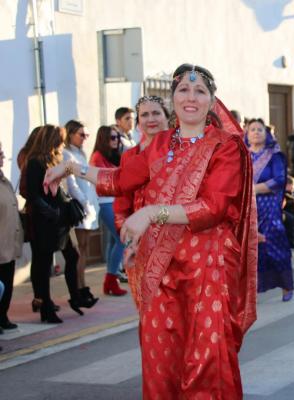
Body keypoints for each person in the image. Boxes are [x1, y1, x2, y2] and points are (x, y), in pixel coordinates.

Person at [43, 64, 257, 399]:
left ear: (212, 100)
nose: (191, 97)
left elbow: (215, 207)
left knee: (205, 358)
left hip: (208, 268)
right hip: (160, 267)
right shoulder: (158, 146)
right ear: (173, 99)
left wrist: (151, 213)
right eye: (183, 90)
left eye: (200, 91)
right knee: (160, 358)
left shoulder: (226, 147)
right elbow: (119, 180)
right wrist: (71, 167)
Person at [21, 125, 86, 322]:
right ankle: (45, 308)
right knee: (44, 263)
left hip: (61, 219)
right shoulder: (34, 162)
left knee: (72, 255)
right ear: (50, 139)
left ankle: (75, 297)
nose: (62, 142)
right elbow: (33, 194)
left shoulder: (55, 159)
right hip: (45, 221)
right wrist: (51, 212)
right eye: (60, 138)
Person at [113, 96, 170, 287]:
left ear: (167, 117)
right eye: (144, 115)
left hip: (177, 230)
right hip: (142, 236)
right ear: (138, 123)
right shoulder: (130, 156)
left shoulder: (182, 150)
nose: (150, 119)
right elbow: (122, 199)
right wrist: (129, 239)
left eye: (156, 113)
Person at [246, 118, 294, 302]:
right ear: (247, 134)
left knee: (275, 246)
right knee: (250, 251)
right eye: (252, 129)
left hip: (269, 209)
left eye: (260, 129)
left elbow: (279, 179)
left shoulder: (274, 156)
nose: (256, 132)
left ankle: (286, 285)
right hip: (248, 209)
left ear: (267, 134)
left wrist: (254, 189)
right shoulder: (241, 156)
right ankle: (252, 290)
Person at [62, 120, 100, 306]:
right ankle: (78, 288)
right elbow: (72, 185)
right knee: (78, 250)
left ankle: (82, 285)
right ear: (70, 134)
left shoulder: (80, 153)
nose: (84, 138)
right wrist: (85, 204)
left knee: (84, 248)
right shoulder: (66, 154)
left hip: (88, 205)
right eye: (81, 134)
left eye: (86, 135)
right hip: (79, 208)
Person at [90, 126, 127, 296]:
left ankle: (111, 281)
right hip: (105, 203)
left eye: (117, 137)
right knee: (122, 239)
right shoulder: (97, 157)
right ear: (103, 138)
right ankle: (111, 279)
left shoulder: (114, 155)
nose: (116, 140)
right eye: (112, 138)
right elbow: (102, 182)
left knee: (114, 241)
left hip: (116, 201)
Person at [0, 141, 23, 330]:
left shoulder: (3, 179)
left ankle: (2, 316)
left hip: (8, 240)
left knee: (7, 282)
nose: (2, 153)